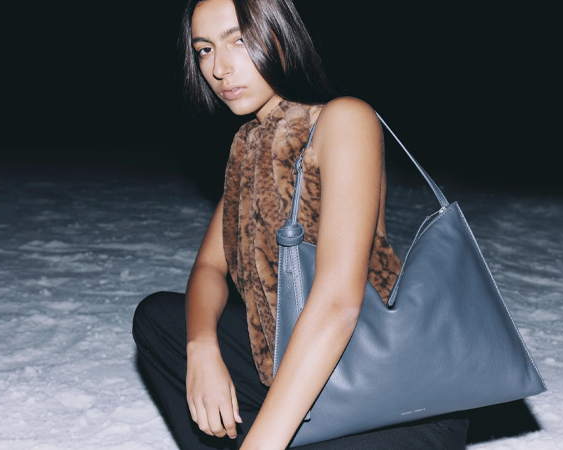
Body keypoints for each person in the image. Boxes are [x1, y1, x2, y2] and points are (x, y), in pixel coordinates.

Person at [132, 0, 470, 448]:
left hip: (390, 396)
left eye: (239, 40)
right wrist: (202, 348)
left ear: (279, 36)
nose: (219, 68)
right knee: (159, 320)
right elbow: (209, 267)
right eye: (205, 49)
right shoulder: (249, 145)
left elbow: (337, 304)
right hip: (296, 378)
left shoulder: (343, 119)